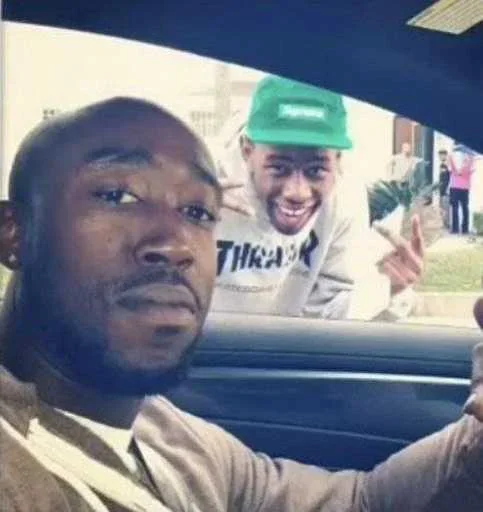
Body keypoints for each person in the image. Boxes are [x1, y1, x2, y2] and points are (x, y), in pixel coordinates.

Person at [2, 97, 483, 512]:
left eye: (197, 211)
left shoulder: (169, 437)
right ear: (13, 233)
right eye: (118, 196)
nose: (176, 243)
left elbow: (361, 502)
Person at [213, 76, 421, 320]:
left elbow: (326, 315)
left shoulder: (345, 196)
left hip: (285, 342)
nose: (297, 192)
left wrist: (384, 288)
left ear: (338, 160)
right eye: (279, 168)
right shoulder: (201, 181)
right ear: (247, 151)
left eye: (316, 170)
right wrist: (182, 216)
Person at [449, 143, 476, 234]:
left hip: (454, 185)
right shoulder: (471, 156)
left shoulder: (452, 155)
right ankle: (465, 229)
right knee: (465, 207)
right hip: (465, 186)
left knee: (455, 207)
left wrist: (457, 171)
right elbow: (472, 170)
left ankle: (455, 229)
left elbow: (450, 169)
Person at [437, 149, 451, 229]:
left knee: (445, 208)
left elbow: (448, 178)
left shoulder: (447, 165)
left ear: (445, 155)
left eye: (442, 155)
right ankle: (443, 224)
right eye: (439, 155)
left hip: (445, 191)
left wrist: (447, 188)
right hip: (441, 190)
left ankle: (446, 224)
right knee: (442, 207)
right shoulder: (442, 165)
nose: (440, 157)